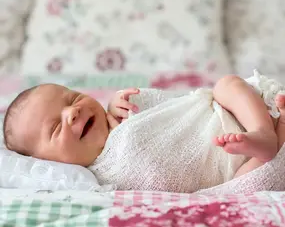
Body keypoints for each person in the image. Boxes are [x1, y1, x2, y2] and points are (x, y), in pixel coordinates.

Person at [2, 71, 285, 192]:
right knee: (243, 186)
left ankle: (264, 132)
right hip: (236, 164)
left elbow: (177, 105)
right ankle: (277, 134)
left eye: (72, 98)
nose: (72, 112)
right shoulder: (101, 178)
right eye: (54, 128)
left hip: (231, 114)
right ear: (48, 163)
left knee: (227, 84)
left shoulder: (123, 111)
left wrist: (124, 107)